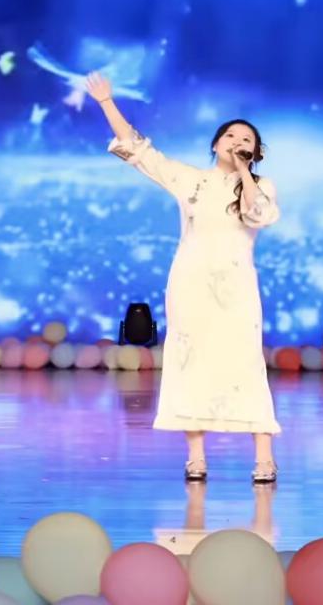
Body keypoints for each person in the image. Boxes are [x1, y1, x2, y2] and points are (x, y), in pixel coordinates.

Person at [85, 72, 282, 483]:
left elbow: (259, 215)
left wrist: (245, 172)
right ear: (215, 144)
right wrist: (106, 102)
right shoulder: (190, 179)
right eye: (229, 135)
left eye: (246, 139)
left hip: (235, 286)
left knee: (244, 363)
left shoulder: (261, 185)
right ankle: (196, 456)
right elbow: (139, 151)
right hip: (190, 282)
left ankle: (264, 458)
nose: (236, 141)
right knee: (189, 362)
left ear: (256, 151)